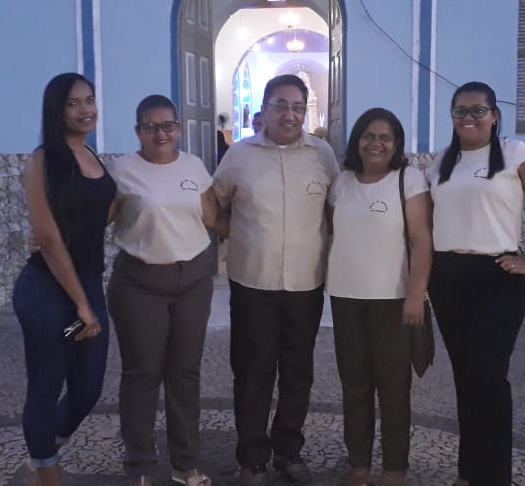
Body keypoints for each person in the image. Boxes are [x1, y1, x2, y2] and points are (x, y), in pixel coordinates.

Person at [426, 81, 525, 486]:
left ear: (494, 115)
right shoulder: (442, 161)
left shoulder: (514, 153)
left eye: (477, 110)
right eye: (460, 111)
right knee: (465, 377)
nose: (468, 118)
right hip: (447, 277)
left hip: (496, 278)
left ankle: (493, 477)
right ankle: (469, 473)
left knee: (488, 378)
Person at [212, 74, 339, 486]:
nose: (289, 114)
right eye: (280, 105)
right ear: (264, 110)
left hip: (306, 283)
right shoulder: (239, 156)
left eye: (298, 107)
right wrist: (239, 235)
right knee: (253, 372)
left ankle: (289, 451)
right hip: (253, 284)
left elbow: (334, 212)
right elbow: (214, 204)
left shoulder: (322, 155)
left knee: (298, 372)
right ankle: (252, 459)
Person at [105, 95, 220, 486]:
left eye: (168, 126)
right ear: (138, 131)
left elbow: (212, 217)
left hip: (192, 281)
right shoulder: (122, 170)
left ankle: (185, 465)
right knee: (142, 374)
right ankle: (140, 466)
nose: (160, 134)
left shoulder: (193, 166)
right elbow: (97, 217)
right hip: (139, 284)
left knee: (185, 373)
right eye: (150, 127)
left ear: (178, 129)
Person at [13, 73, 114, 486]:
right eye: (74, 103)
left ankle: (40, 454)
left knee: (87, 388)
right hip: (49, 292)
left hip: (87, 284)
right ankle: (46, 472)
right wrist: (82, 306)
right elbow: (50, 239)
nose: (86, 109)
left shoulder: (91, 155)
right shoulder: (42, 161)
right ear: (57, 110)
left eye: (89, 100)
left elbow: (99, 213)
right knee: (46, 383)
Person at [325, 108, 432, 486]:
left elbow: (422, 240)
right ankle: (358, 466)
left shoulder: (409, 179)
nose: (376, 143)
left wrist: (415, 295)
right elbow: (333, 230)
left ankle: (393, 469)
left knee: (393, 388)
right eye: (369, 135)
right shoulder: (341, 183)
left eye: (385, 137)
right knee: (354, 386)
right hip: (346, 297)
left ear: (396, 143)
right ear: (357, 140)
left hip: (393, 299)